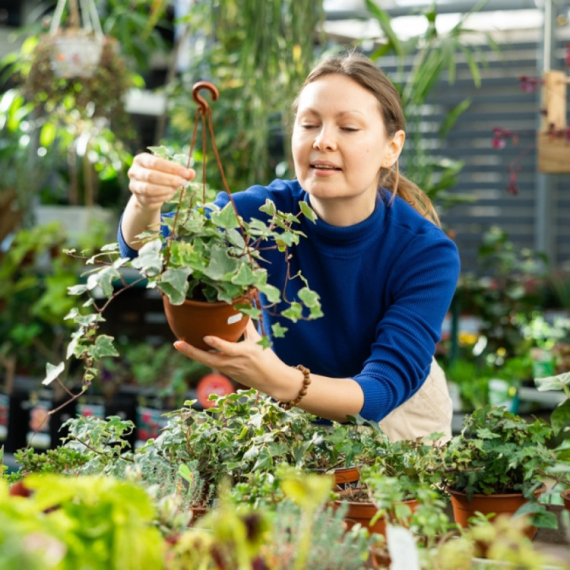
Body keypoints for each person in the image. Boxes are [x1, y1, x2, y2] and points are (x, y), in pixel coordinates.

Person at [119, 51, 460, 442]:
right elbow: (144, 248)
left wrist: (275, 379)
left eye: (349, 127)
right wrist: (144, 201)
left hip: (399, 416)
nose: (323, 141)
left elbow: (380, 391)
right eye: (309, 124)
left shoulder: (425, 253)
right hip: (289, 406)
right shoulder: (263, 214)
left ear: (392, 148)